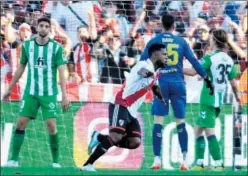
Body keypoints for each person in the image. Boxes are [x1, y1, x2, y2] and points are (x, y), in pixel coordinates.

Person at [140, 13, 214, 170]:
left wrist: (144, 78)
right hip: (178, 83)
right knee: (180, 122)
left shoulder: (154, 41)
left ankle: (156, 160)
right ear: (174, 26)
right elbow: (194, 61)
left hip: (161, 83)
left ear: (161, 25)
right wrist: (205, 77)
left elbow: (141, 63)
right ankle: (185, 160)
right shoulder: (181, 41)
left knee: (158, 122)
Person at [80, 43, 168, 171]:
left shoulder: (156, 71)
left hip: (131, 111)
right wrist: (151, 75)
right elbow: (142, 72)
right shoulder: (144, 65)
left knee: (135, 142)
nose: (166, 57)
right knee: (116, 136)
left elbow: (154, 85)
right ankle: (88, 165)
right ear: (155, 54)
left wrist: (161, 97)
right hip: (120, 103)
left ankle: (99, 137)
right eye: (164, 54)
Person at [2, 17, 69, 168]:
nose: (44, 28)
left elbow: (62, 70)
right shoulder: (27, 46)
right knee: (20, 123)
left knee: (51, 125)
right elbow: (20, 68)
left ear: (50, 30)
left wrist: (64, 95)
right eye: (41, 26)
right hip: (31, 92)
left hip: (49, 93)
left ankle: (56, 161)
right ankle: (13, 159)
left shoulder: (56, 48)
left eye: (47, 26)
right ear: (37, 28)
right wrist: (9, 89)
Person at [184, 29, 241, 171]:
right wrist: (238, 98)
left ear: (214, 40)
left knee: (209, 132)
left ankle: (218, 163)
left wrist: (176, 67)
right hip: (218, 100)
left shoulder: (210, 57)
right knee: (198, 130)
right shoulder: (228, 59)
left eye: (211, 38)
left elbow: (192, 72)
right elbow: (234, 83)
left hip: (208, 99)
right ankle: (199, 162)